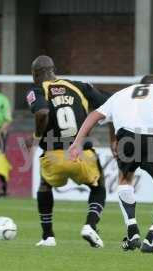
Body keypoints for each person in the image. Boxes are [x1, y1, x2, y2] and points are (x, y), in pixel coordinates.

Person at [69, 74, 153, 255]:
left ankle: (132, 230)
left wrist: (78, 142)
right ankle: (151, 239)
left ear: (139, 85)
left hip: (127, 137)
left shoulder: (122, 93)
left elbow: (94, 115)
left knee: (125, 179)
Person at [26, 55, 109, 248]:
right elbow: (108, 104)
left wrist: (38, 134)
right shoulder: (78, 86)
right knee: (98, 187)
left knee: (44, 186)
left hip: (54, 155)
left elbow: (42, 112)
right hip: (81, 153)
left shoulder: (37, 90)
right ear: (53, 69)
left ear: (35, 74)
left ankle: (48, 237)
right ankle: (90, 225)